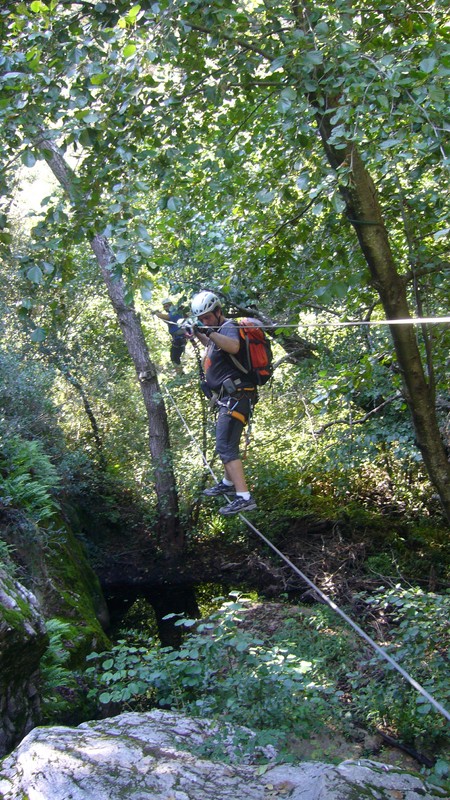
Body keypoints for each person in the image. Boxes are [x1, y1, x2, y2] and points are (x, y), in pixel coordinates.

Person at [191, 290, 258, 516]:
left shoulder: (228, 327)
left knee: (225, 447)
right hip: (230, 398)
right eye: (201, 319)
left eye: (208, 317)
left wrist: (209, 331)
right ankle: (228, 484)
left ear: (218, 312)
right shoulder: (216, 331)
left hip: (237, 397)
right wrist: (197, 333)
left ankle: (244, 497)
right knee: (228, 444)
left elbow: (233, 347)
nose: (205, 322)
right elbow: (212, 347)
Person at [152, 299, 187, 374]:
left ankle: (181, 375)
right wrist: (159, 314)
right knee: (174, 357)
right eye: (164, 307)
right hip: (178, 338)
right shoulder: (173, 313)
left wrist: (157, 313)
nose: (165, 308)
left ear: (171, 305)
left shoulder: (175, 311)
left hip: (180, 338)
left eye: (167, 306)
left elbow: (167, 318)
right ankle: (180, 373)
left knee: (174, 357)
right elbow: (167, 320)